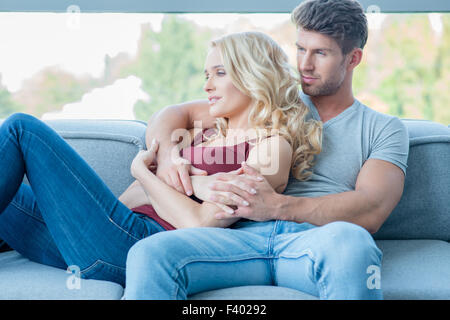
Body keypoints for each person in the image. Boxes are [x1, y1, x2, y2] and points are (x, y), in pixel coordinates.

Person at [124, 0, 409, 300]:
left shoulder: (383, 128)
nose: (305, 65)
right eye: (301, 49)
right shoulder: (271, 102)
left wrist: (277, 207)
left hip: (309, 241)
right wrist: (169, 157)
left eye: (320, 53)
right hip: (233, 238)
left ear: (353, 58)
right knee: (149, 253)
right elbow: (170, 115)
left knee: (352, 243)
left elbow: (372, 208)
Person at [0, 32, 320, 287]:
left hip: (139, 247)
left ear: (254, 77)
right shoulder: (207, 127)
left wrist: (144, 172)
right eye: (206, 74)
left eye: (220, 73)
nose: (207, 85)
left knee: (21, 129)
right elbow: (168, 116)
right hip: (103, 234)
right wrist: (177, 167)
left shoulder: (271, 147)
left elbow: (200, 223)